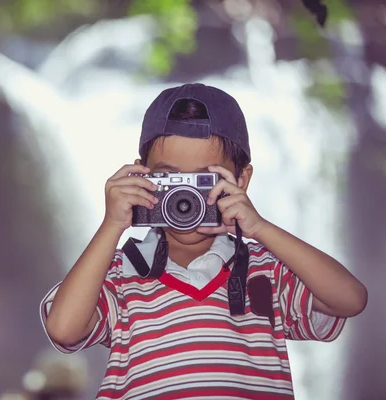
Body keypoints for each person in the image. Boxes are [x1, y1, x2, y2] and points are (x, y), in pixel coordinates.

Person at [40, 83, 367, 399]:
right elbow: (64, 329)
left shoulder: (267, 272)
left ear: (241, 180)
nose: (186, 197)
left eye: (202, 179)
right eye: (170, 178)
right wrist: (112, 226)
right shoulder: (119, 274)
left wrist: (261, 229)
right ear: (140, 176)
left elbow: (350, 299)